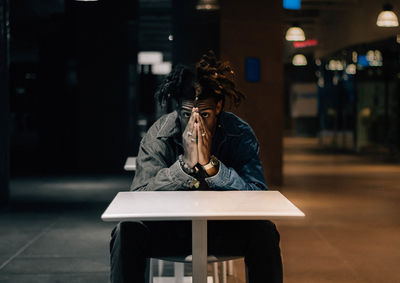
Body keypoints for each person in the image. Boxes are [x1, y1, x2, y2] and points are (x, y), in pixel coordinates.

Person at [110, 51, 283, 283]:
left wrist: (213, 169)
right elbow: (138, 197)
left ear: (219, 106)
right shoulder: (159, 135)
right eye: (186, 114)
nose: (195, 123)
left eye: (205, 114)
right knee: (125, 232)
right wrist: (182, 168)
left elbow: (259, 196)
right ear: (177, 108)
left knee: (265, 232)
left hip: (223, 229)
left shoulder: (238, 133)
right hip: (170, 229)